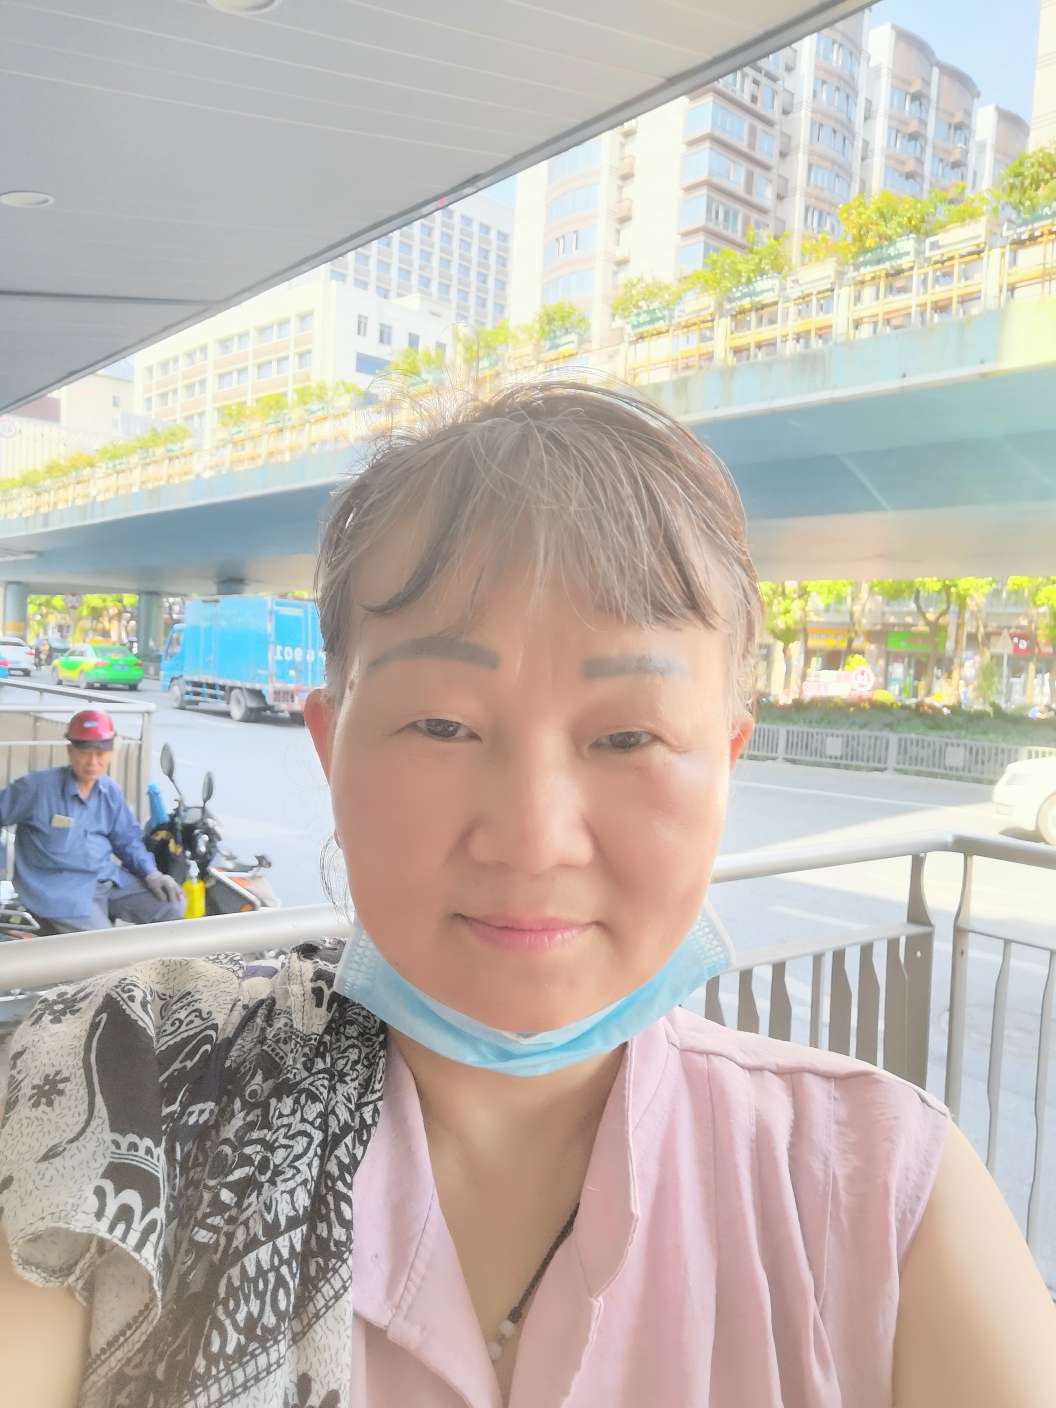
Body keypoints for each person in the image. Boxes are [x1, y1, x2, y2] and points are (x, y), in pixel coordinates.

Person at [1, 382, 1054, 1408]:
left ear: (726, 766)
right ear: (330, 749)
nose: (534, 840)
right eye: (443, 725)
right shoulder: (115, 1088)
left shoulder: (884, 1199)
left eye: (629, 736)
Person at [0, 707, 184, 933]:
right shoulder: (36, 788)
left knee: (172, 905)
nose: (92, 761)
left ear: (111, 752)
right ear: (70, 750)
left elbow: (127, 841)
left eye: (100, 753)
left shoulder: (109, 791)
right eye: (85, 752)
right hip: (61, 893)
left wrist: (152, 873)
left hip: (105, 879)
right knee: (103, 945)